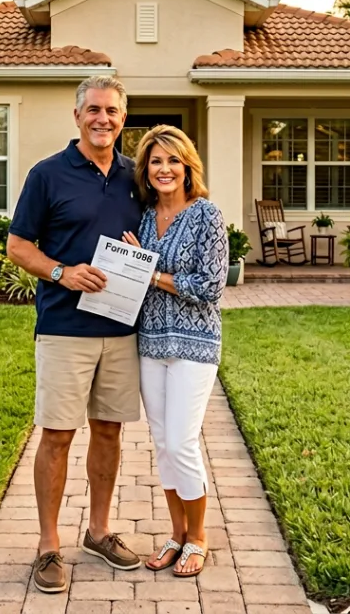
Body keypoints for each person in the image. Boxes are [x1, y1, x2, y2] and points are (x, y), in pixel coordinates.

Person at [6, 75, 145, 594]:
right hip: (65, 328)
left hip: (123, 328)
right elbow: (18, 246)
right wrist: (62, 271)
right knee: (58, 435)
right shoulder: (48, 175)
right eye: (93, 110)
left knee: (109, 431)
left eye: (111, 110)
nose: (102, 119)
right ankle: (47, 545)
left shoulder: (140, 176)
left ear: (123, 118)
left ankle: (100, 531)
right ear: (77, 116)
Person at [122, 124, 228, 578]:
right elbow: (133, 274)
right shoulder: (144, 218)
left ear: (188, 167)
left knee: (183, 441)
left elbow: (210, 287)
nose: (164, 169)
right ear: (145, 170)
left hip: (194, 344)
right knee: (162, 443)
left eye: (173, 160)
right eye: (155, 161)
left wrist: (150, 274)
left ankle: (199, 537)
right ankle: (176, 534)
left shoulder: (207, 216)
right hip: (151, 341)